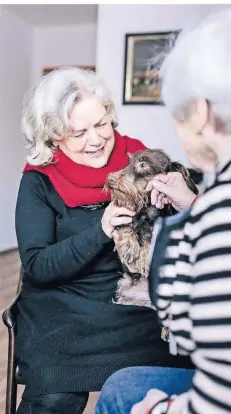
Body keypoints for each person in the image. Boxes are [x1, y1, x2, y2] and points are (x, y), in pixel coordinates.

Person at [15, 67, 196, 414]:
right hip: (62, 310)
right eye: (78, 132)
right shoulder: (39, 181)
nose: (96, 139)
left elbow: (186, 236)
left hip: (132, 304)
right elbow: (38, 266)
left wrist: (183, 200)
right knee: (55, 398)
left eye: (101, 124)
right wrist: (99, 231)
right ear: (54, 136)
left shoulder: (140, 160)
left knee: (175, 375)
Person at [95, 8, 231, 414]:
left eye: (177, 113)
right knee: (123, 383)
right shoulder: (212, 203)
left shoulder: (216, 218)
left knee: (126, 396)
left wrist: (158, 409)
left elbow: (219, 391)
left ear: (202, 112)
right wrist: (191, 207)